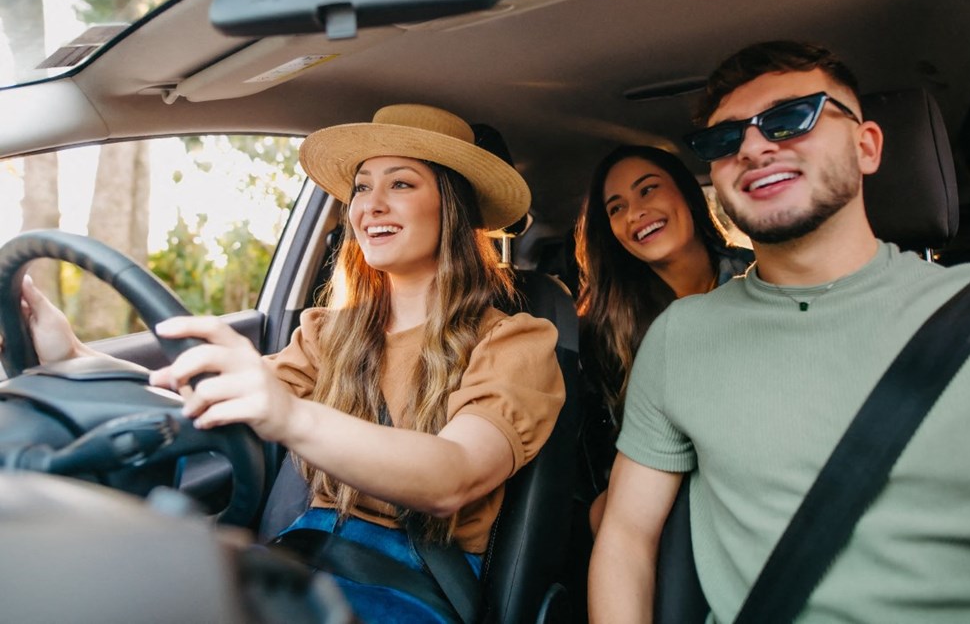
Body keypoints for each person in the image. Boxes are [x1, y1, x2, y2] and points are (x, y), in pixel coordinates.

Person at [11, 103, 566, 623]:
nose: (370, 205)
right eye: (362, 187)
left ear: (453, 206)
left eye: (401, 183)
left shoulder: (515, 342)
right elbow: (210, 404)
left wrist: (291, 417)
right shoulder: (328, 332)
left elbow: (455, 476)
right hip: (300, 555)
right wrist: (76, 357)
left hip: (413, 587)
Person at [589, 41, 970, 622]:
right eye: (724, 140)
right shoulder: (678, 337)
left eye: (791, 118)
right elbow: (625, 536)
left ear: (866, 146)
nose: (754, 146)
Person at [574, 145, 752, 529]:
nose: (635, 213)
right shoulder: (606, 328)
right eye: (616, 207)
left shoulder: (760, 279)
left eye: (648, 189)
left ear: (686, 193)